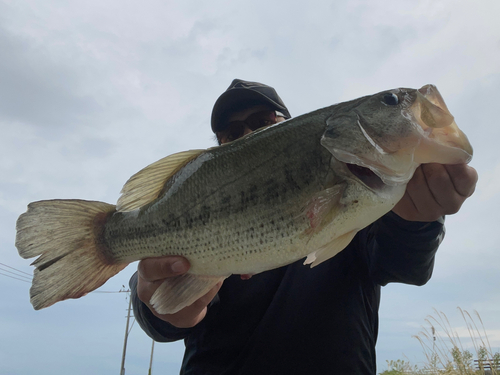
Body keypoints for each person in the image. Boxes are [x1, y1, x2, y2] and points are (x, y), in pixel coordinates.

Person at [129, 79, 478, 374]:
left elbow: (405, 263)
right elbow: (157, 314)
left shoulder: (368, 202)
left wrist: (421, 219)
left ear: (292, 129)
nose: (247, 133)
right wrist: (157, 304)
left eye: (263, 121)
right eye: (232, 131)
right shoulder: (195, 209)